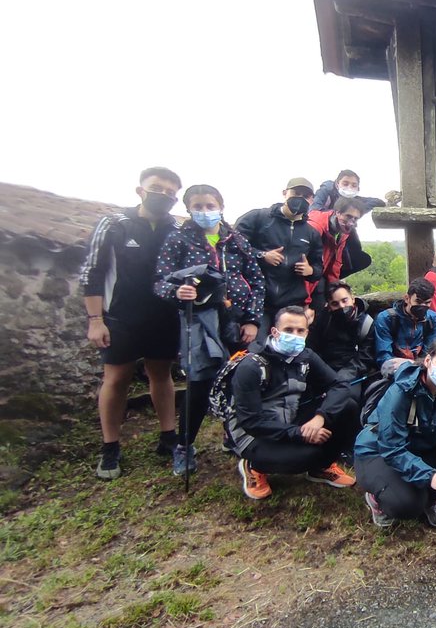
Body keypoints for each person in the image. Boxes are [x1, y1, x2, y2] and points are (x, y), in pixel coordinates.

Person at [153, 183, 264, 475]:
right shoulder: (178, 239)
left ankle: (233, 434)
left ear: (221, 207)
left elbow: (257, 280)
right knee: (200, 384)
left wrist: (252, 320)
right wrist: (176, 292)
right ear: (189, 209)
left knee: (238, 380)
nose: (205, 211)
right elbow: (161, 280)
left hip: (237, 319)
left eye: (210, 206)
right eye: (198, 206)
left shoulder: (236, 240)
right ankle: (184, 445)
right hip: (201, 321)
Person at [81, 167, 184, 479]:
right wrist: (95, 320)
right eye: (157, 188)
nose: (163, 195)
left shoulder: (176, 229)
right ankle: (110, 446)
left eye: (170, 192)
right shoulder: (114, 224)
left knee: (161, 375)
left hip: (163, 316)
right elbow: (92, 273)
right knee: (116, 379)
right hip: (120, 316)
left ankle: (168, 436)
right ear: (141, 190)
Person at [226, 307, 358, 501]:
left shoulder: (305, 356)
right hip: (254, 434)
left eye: (300, 331)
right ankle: (253, 466)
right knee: (307, 456)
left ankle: (321, 468)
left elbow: (340, 385)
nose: (295, 335)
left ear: (306, 333)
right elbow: (250, 422)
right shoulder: (251, 366)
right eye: (288, 330)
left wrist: (320, 417)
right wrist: (299, 433)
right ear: (274, 331)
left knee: (348, 406)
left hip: (290, 416)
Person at [355, 337, 436, 530]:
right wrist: (429, 476)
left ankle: (431, 500)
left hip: (419, 447)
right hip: (378, 452)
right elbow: (391, 447)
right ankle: (377, 500)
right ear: (428, 361)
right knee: (408, 505)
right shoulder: (402, 390)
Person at [235, 177, 324, 324]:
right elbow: (234, 246)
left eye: (305, 196)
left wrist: (310, 271)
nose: (300, 198)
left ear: (312, 200)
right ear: (285, 193)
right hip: (257, 302)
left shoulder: (312, 233)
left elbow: (318, 268)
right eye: (296, 193)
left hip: (292, 306)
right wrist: (261, 255)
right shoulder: (258, 218)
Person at [307, 280, 375, 407]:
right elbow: (312, 348)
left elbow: (365, 358)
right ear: (329, 306)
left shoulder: (366, 324)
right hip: (324, 372)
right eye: (335, 304)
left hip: (352, 374)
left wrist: (341, 377)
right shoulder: (323, 320)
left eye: (345, 300)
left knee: (348, 402)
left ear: (352, 299)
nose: (342, 306)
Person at [305, 197, 371, 307]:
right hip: (304, 274)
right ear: (338, 213)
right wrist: (305, 302)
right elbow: (304, 265)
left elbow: (336, 262)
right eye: (348, 216)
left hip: (319, 270)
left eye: (355, 218)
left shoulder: (342, 231)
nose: (351, 222)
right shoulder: (316, 227)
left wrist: (334, 288)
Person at [374, 278, 436, 371]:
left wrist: (416, 368)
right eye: (418, 301)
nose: (422, 306)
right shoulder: (386, 319)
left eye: (427, 303)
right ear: (407, 298)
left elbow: (429, 353)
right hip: (393, 370)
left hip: (421, 369)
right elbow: (384, 357)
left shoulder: (434, 320)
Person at [312, 169, 387, 212]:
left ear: (358, 189)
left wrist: (356, 210)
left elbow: (378, 202)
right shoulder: (325, 192)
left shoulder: (354, 199)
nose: (349, 188)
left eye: (354, 185)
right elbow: (314, 210)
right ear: (337, 184)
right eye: (345, 184)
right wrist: (340, 213)